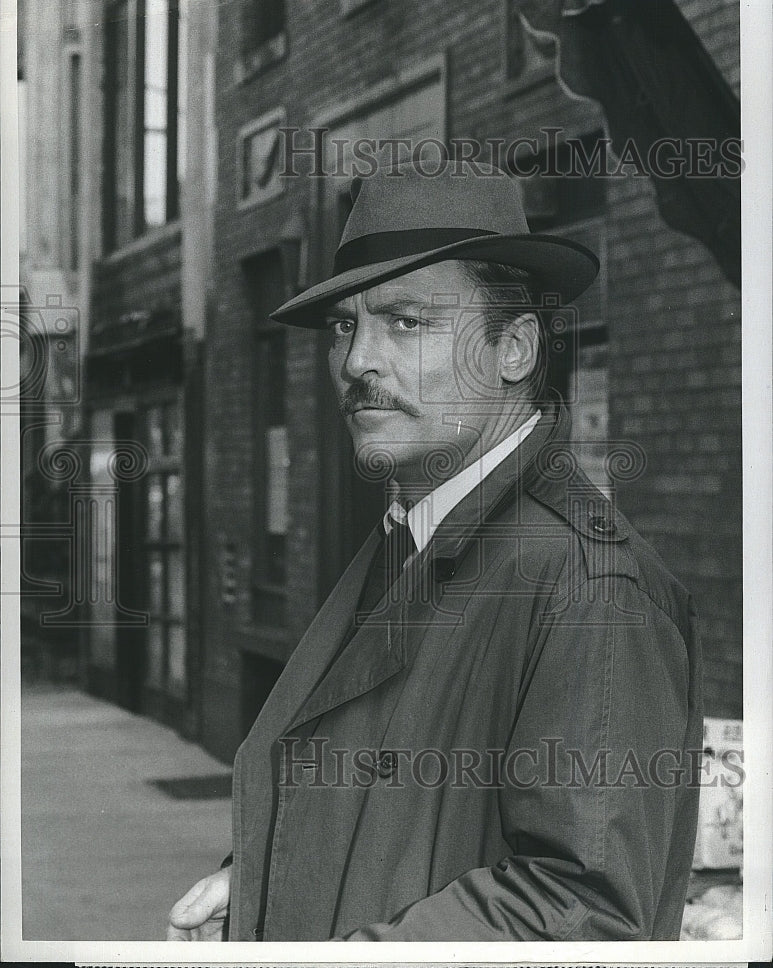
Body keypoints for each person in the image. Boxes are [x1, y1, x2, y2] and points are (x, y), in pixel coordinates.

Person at [167, 162, 703, 942]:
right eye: (345, 325)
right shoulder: (414, 536)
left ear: (513, 349)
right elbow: (388, 818)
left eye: (406, 322)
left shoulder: (589, 586)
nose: (356, 362)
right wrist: (260, 892)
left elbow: (582, 913)